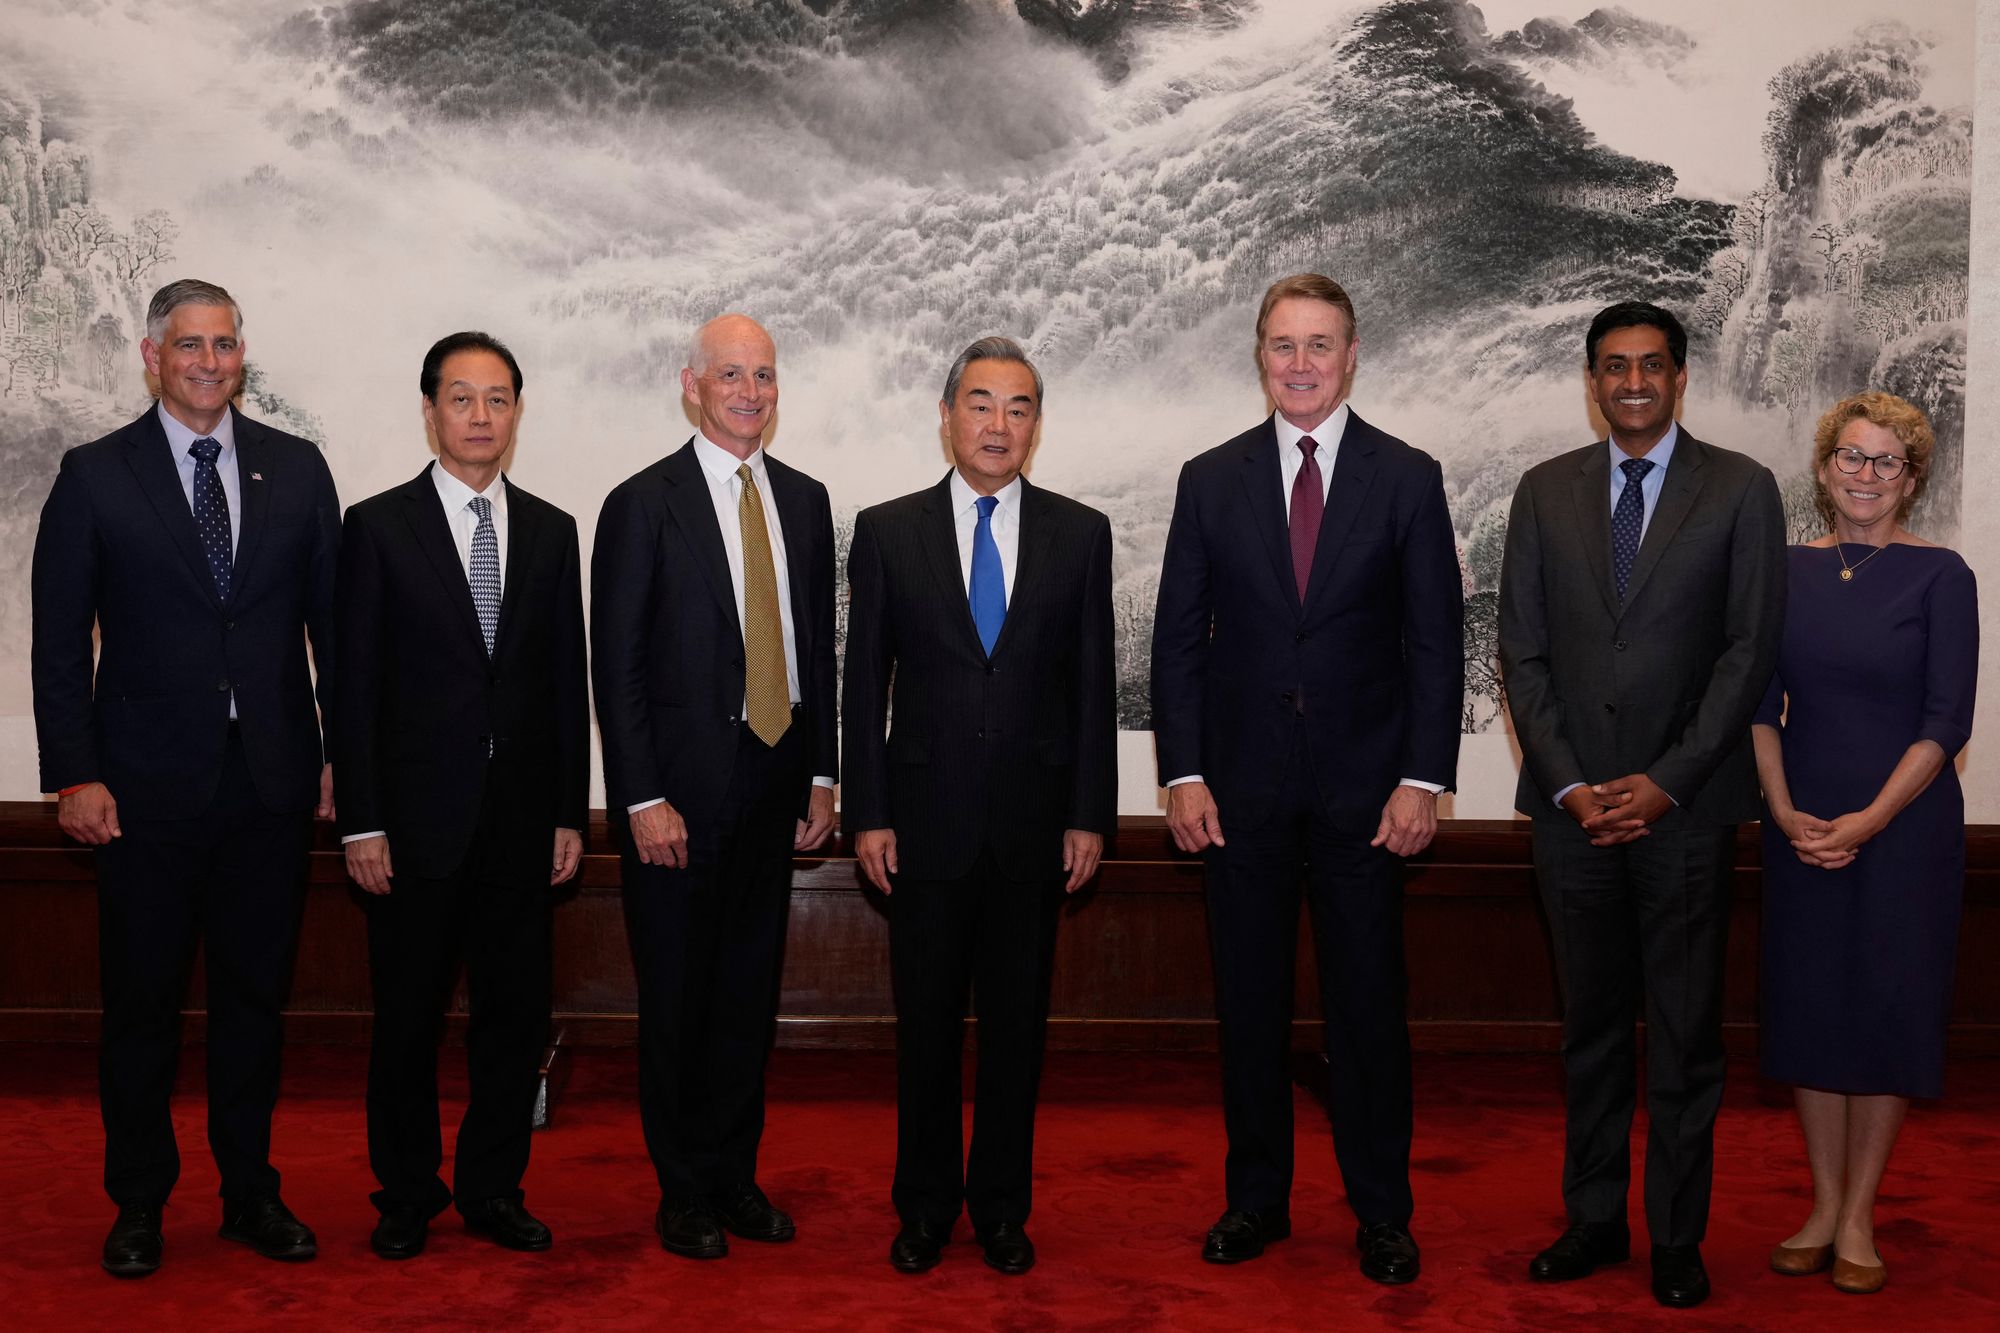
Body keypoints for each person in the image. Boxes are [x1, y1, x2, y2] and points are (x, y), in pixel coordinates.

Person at [1150, 274, 1462, 1285]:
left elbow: (1434, 642)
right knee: (1248, 1007)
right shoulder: (1210, 478)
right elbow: (1176, 641)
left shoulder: (1406, 477)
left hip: (1367, 798)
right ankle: (1255, 1201)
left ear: (1351, 355)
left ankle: (1382, 1212)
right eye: (1282, 344)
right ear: (1260, 357)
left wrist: (1422, 777)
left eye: (1318, 344)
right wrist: (1182, 772)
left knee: (1367, 1010)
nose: (1300, 363)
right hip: (1236, 794)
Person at [30, 278, 339, 1275]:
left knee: (255, 1004)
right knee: (142, 1009)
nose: (210, 361)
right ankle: (138, 1202)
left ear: (242, 355)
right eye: (191, 344)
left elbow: (334, 633)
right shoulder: (94, 475)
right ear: (151, 355)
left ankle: (250, 1193)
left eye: (225, 344)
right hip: (142, 791)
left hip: (270, 786)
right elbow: (57, 643)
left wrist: (340, 754)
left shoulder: (297, 469)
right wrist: (73, 774)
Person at [1497, 301, 1785, 1308]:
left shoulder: (1741, 490)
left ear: (1679, 376)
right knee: (1588, 1029)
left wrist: (1666, 782)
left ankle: (1674, 1235)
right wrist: (1572, 784)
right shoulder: (1543, 491)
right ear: (1591, 382)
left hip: (1687, 812)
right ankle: (1591, 1219)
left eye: (1650, 365)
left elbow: (1748, 654)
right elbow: (1521, 652)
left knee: (1683, 1035)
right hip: (1569, 813)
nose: (1632, 382)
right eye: (1613, 366)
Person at [844, 335, 1115, 1276]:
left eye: (1019, 406)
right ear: (947, 414)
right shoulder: (888, 530)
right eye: (981, 403)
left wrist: (1089, 812)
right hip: (921, 825)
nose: (999, 424)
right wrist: (867, 811)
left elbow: (1092, 687)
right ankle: (923, 1207)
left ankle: (1002, 1208)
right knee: (924, 1030)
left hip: (1035, 828)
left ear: (1036, 423)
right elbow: (862, 686)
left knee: (1016, 1031)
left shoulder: (1081, 533)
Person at [332, 331, 588, 1259]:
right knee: (407, 1021)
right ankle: (406, 1192)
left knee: (513, 1023)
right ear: (431, 409)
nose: (481, 416)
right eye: (461, 398)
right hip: (411, 829)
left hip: (520, 826)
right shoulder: (377, 526)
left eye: (498, 399)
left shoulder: (553, 530)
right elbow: (352, 688)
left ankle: (493, 1188)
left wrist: (568, 811)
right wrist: (361, 820)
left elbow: (566, 685)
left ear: (517, 411)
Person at [591, 314, 838, 1259]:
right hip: (678, 801)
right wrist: (640, 796)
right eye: (730, 374)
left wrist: (822, 772)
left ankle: (734, 1175)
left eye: (763, 375)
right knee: (679, 998)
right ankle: (683, 1188)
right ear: (690, 384)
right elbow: (617, 667)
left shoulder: (806, 500)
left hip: (776, 783)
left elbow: (816, 650)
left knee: (745, 996)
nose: (749, 392)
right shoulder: (640, 503)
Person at [1752, 392, 1976, 1297]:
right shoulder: (1784, 570)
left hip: (1904, 830)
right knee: (1812, 1011)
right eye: (1852, 455)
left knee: (1886, 1012)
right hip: (1801, 824)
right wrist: (1783, 812)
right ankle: (1820, 1205)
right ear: (1823, 467)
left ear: (1912, 479)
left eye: (1889, 460)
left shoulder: (1942, 575)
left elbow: (1946, 722)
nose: (1867, 474)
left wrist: (1871, 819)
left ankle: (1858, 1216)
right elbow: (1758, 708)